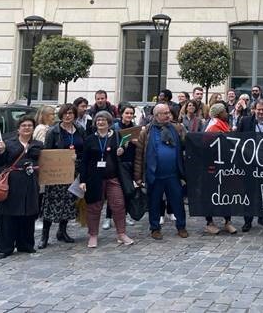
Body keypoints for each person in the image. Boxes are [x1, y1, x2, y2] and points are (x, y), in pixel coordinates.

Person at [79, 111, 134, 248]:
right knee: (94, 207)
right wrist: (82, 180)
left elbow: (127, 154)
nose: (100, 122)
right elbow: (84, 161)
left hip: (113, 177)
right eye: (98, 120)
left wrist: (122, 151)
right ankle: (93, 235)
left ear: (109, 123)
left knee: (118, 205)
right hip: (94, 179)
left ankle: (121, 233)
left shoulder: (116, 136)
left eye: (103, 120)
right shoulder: (90, 139)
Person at [134, 103, 189, 240]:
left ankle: (181, 226)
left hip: (173, 174)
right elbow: (139, 155)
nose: (168, 115)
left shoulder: (176, 128)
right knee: (154, 202)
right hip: (154, 174)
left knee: (177, 201)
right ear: (157, 115)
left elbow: (186, 144)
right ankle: (155, 228)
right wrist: (138, 177)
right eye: (165, 113)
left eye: (168, 113)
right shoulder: (146, 132)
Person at [0, 115, 43, 259]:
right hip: (13, 182)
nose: (27, 128)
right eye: (24, 126)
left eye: (30, 125)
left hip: (30, 182)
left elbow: (46, 160)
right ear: (18, 129)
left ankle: (25, 244)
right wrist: (1, 152)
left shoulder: (38, 144)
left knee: (28, 213)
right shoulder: (8, 144)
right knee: (8, 215)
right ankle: (5, 247)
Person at [40, 104, 84, 249]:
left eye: (70, 113)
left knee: (68, 203)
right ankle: (44, 236)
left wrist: (79, 158)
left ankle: (62, 231)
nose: (68, 116)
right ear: (61, 115)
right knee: (51, 203)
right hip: (57, 173)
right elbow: (47, 153)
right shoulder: (54, 131)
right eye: (65, 113)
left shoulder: (80, 130)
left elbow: (84, 149)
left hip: (74, 172)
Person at [238, 99, 263, 232]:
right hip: (249, 162)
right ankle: (247, 220)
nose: (261, 112)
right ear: (254, 109)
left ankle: (262, 216)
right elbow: (238, 139)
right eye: (258, 109)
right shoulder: (245, 121)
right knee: (248, 191)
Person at [203, 103, 238, 234]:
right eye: (224, 112)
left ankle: (227, 221)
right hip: (213, 166)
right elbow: (207, 145)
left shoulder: (223, 125)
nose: (227, 114)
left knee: (226, 192)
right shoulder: (213, 127)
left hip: (225, 165)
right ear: (219, 114)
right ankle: (209, 222)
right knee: (211, 192)